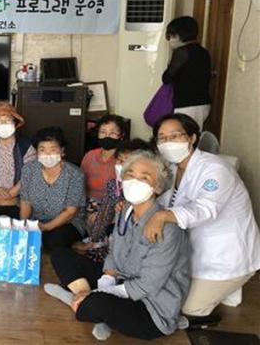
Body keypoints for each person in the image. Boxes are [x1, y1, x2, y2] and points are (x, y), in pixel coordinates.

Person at [44, 151, 190, 341]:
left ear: (157, 187)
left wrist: (101, 293)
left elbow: (148, 285)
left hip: (149, 306)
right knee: (60, 255)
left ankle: (77, 299)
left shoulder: (167, 228)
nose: (134, 181)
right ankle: (89, 303)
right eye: (130, 174)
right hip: (121, 281)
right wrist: (107, 280)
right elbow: (114, 252)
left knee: (98, 304)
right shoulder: (124, 211)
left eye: (144, 177)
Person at [147, 113, 260, 320]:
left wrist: (162, 216)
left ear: (192, 138)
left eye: (175, 136)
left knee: (185, 307)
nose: (168, 142)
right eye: (162, 138)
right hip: (195, 249)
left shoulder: (215, 169)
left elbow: (206, 209)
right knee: (165, 288)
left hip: (225, 256)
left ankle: (229, 284)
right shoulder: (173, 169)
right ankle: (222, 290)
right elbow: (165, 200)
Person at [75, 138, 152, 263]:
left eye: (127, 161)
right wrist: (93, 240)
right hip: (113, 233)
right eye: (119, 160)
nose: (121, 165)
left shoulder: (146, 189)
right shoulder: (114, 185)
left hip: (134, 244)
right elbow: (104, 214)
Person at [20, 127, 86, 250]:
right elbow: (25, 202)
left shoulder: (75, 174)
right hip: (37, 219)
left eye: (53, 149)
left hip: (68, 222)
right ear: (36, 152)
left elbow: (70, 211)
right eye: (42, 149)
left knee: (53, 241)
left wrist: (46, 227)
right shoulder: (28, 170)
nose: (47, 154)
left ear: (62, 151)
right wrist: (23, 225)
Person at [162, 16, 212, 128]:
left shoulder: (182, 52)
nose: (170, 40)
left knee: (183, 134)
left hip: (186, 105)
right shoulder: (203, 52)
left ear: (181, 35)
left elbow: (166, 78)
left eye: (172, 36)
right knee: (192, 133)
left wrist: (170, 63)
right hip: (203, 104)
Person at [81, 114, 128, 202]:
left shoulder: (124, 159)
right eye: (103, 132)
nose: (107, 136)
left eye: (112, 133)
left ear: (121, 136)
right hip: (87, 203)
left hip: (113, 205)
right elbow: (80, 184)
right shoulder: (90, 156)